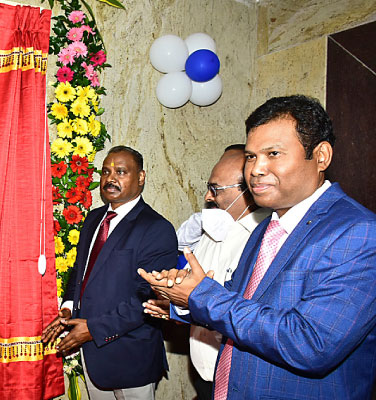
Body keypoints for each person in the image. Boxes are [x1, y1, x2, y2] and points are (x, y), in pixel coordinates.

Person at [140, 95, 376, 399]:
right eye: (251, 157)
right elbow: (240, 300)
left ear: (321, 156)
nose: (256, 169)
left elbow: (311, 344)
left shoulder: (359, 232)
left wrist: (201, 295)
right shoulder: (266, 226)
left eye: (273, 153)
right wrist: (184, 298)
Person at [42, 145, 177, 399]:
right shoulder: (94, 219)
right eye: (105, 172)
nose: (110, 178)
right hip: (92, 355)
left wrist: (94, 328)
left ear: (141, 177)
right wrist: (69, 307)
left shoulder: (156, 228)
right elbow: (80, 271)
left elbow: (148, 297)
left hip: (130, 356)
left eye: (121, 172)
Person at [144, 145, 271, 399]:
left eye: (215, 189)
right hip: (203, 376)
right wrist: (173, 300)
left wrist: (188, 302)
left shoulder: (264, 240)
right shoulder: (209, 233)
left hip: (241, 381)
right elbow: (195, 291)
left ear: (246, 190)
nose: (208, 197)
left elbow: (251, 317)